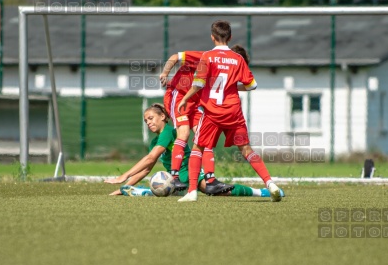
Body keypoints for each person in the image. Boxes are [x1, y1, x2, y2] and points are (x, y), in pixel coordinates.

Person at [177, 20, 282, 202]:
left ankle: (192, 191)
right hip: (233, 112)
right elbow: (252, 85)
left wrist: (185, 98)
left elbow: (199, 83)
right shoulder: (238, 58)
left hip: (212, 112)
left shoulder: (207, 57)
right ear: (230, 37)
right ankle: (270, 183)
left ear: (212, 37)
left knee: (198, 147)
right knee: (246, 149)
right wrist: (232, 87)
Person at [104, 103, 273, 198]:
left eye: (150, 118)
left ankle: (260, 192)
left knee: (216, 190)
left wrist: (124, 175)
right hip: (177, 178)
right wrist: (122, 189)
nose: (148, 122)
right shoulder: (155, 141)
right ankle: (144, 191)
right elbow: (146, 169)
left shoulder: (169, 131)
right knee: (171, 191)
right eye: (145, 121)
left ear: (162, 116)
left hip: (189, 171)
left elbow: (150, 159)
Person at [158, 45, 253, 194]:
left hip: (196, 102)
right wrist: (165, 73)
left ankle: (211, 181)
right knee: (184, 134)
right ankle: (175, 176)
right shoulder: (206, 56)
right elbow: (175, 57)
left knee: (204, 138)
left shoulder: (223, 67)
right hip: (180, 95)